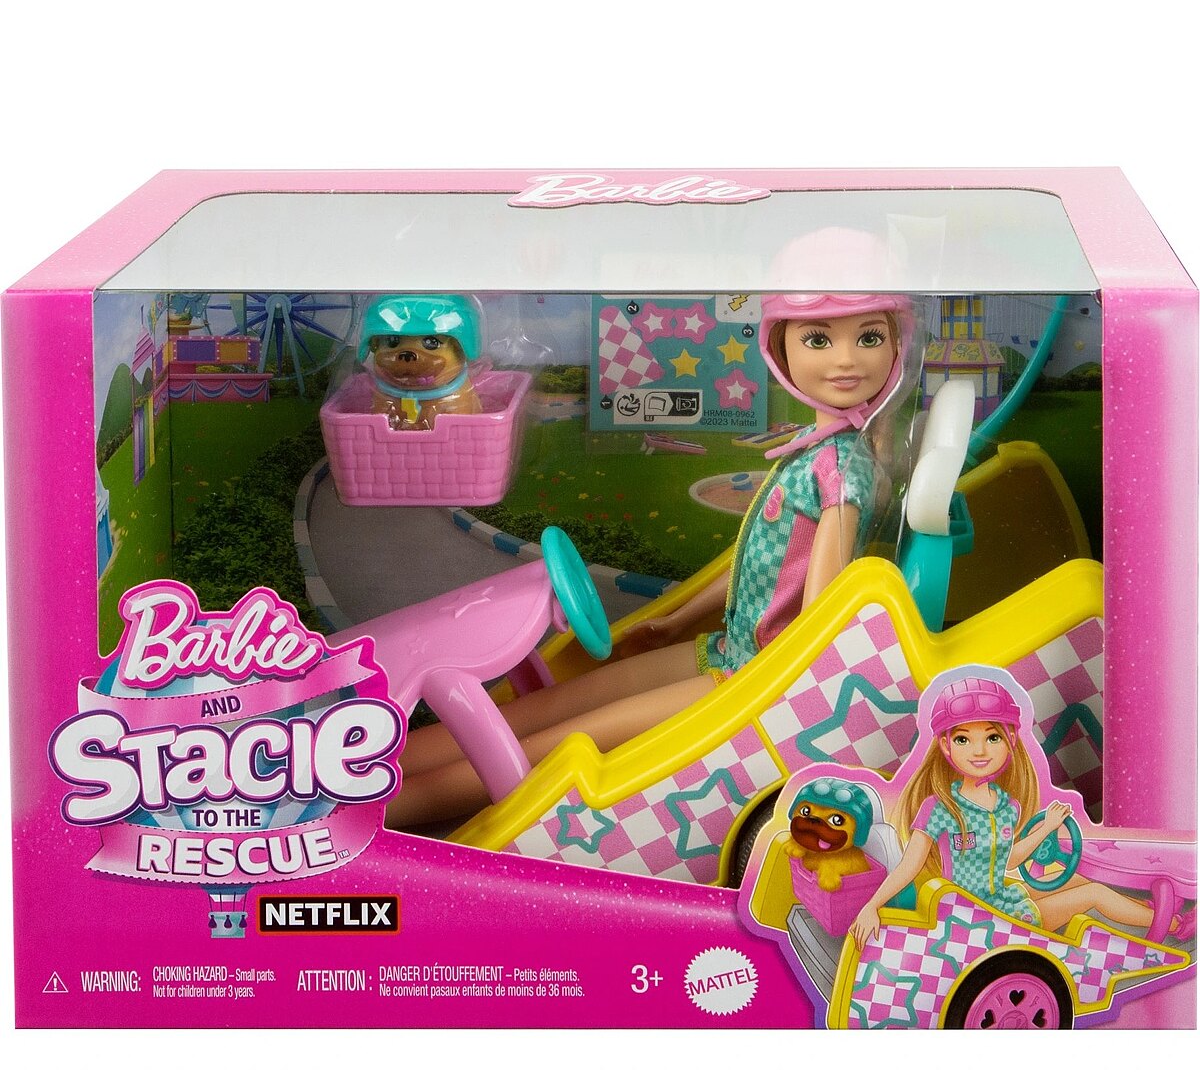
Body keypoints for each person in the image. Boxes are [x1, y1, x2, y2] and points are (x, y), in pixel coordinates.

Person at [390, 289, 913, 828]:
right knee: (553, 707)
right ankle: (368, 757)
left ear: (896, 348)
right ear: (780, 349)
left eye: (869, 338)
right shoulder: (814, 447)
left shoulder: (840, 469)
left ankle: (377, 800)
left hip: (753, 681)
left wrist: (768, 691)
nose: (846, 359)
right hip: (729, 649)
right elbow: (763, 562)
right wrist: (677, 621)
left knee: (555, 744)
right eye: (818, 340)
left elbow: (821, 619)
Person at [849, 676, 1193, 947]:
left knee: (1079, 879)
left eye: (992, 738)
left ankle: (1148, 910)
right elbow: (909, 865)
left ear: (1011, 740)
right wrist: (871, 905)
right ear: (946, 746)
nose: (979, 751)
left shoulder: (1006, 806)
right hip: (976, 920)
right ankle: (1175, 925)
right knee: (1094, 894)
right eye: (964, 739)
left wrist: (1048, 827)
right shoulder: (940, 807)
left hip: (1000, 897)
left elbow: (1009, 858)